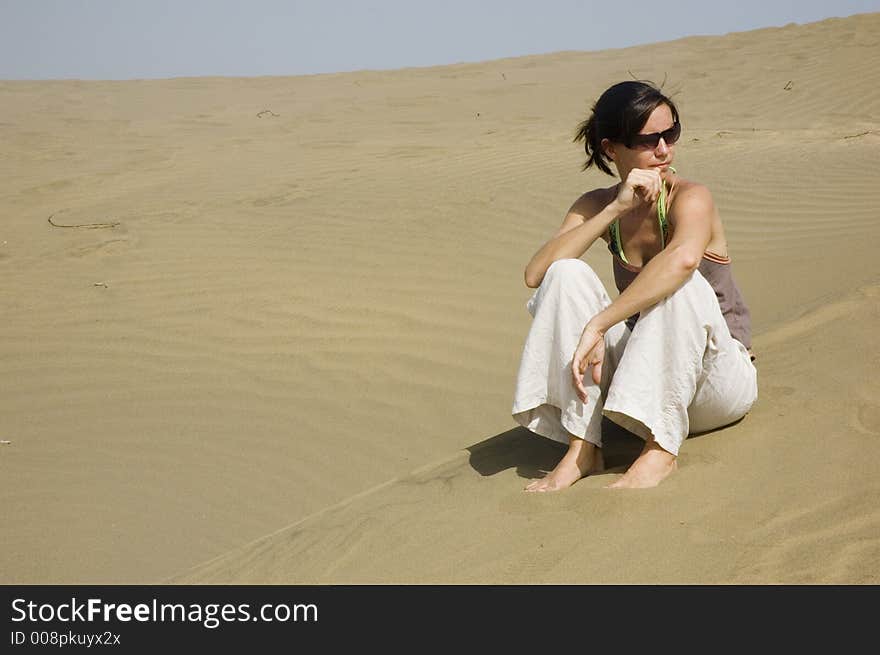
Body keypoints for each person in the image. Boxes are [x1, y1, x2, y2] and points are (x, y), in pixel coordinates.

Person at [511, 80, 757, 491]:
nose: (665, 150)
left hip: (715, 382)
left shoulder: (692, 196)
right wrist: (616, 207)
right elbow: (536, 274)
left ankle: (661, 450)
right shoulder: (598, 203)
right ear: (612, 149)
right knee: (564, 273)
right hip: (645, 383)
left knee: (679, 282)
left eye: (671, 134)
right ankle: (582, 445)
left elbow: (683, 260)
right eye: (649, 140)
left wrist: (599, 324)